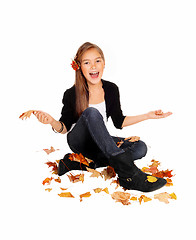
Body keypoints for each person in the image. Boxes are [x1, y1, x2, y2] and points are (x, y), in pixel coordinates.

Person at [34, 42, 172, 192]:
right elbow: (65, 127)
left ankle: (82, 163)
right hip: (79, 141)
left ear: (104, 64)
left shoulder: (111, 89)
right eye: (87, 62)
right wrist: (52, 122)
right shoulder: (71, 93)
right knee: (91, 112)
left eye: (97, 61)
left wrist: (147, 116)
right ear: (79, 67)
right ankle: (129, 175)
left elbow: (119, 122)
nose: (93, 66)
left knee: (140, 147)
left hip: (101, 141)